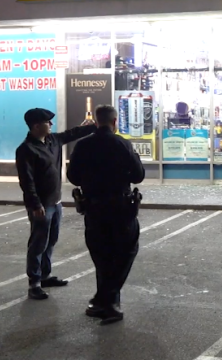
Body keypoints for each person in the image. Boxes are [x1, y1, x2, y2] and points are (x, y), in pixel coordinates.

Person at [67, 105, 145, 324]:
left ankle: (102, 300)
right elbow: (138, 176)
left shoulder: (83, 145)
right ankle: (110, 301)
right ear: (114, 122)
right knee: (125, 251)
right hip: (120, 208)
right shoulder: (122, 144)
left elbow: (73, 176)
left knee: (101, 255)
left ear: (96, 122)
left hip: (94, 207)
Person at [16, 108, 96, 301]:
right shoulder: (26, 149)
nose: (51, 125)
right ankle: (34, 283)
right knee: (38, 243)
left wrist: (96, 126)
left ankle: (45, 275)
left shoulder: (53, 141)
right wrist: (36, 205)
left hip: (56, 202)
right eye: (47, 122)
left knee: (51, 240)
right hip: (42, 205)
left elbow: (72, 134)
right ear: (36, 126)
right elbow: (27, 181)